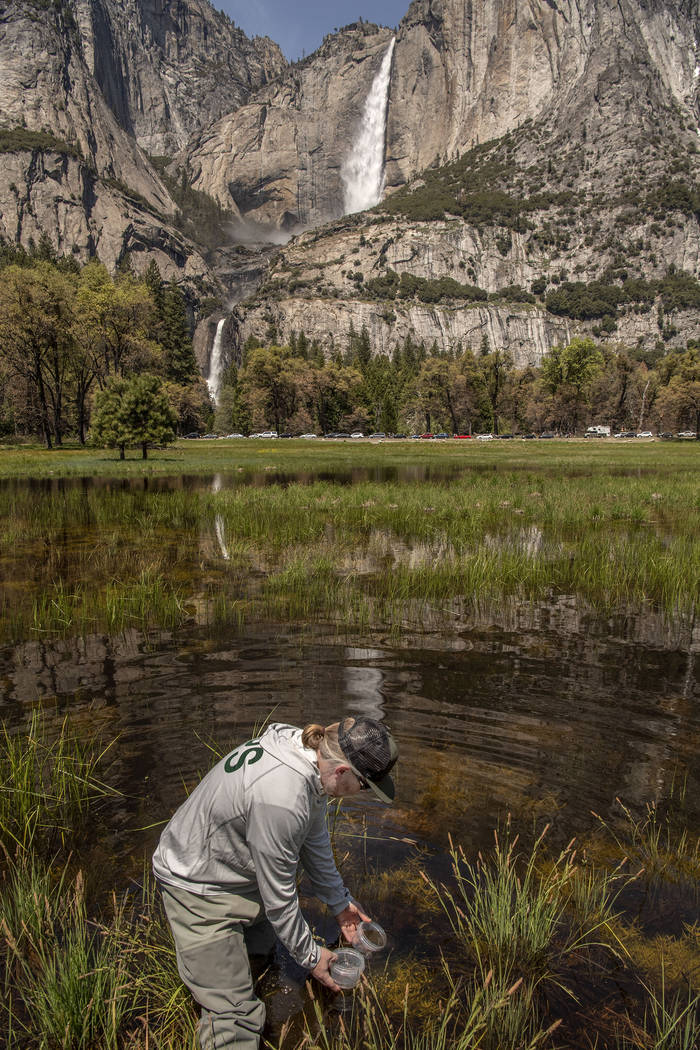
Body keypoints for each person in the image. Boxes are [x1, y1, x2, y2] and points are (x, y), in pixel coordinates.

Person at [152, 715, 398, 1050]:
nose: (362, 794)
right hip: (197, 886)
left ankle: (236, 972)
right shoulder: (282, 798)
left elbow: (315, 839)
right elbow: (280, 900)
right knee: (236, 1016)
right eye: (365, 786)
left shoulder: (307, 755)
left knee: (263, 956)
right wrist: (313, 959)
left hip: (235, 873)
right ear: (342, 772)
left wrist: (340, 903)